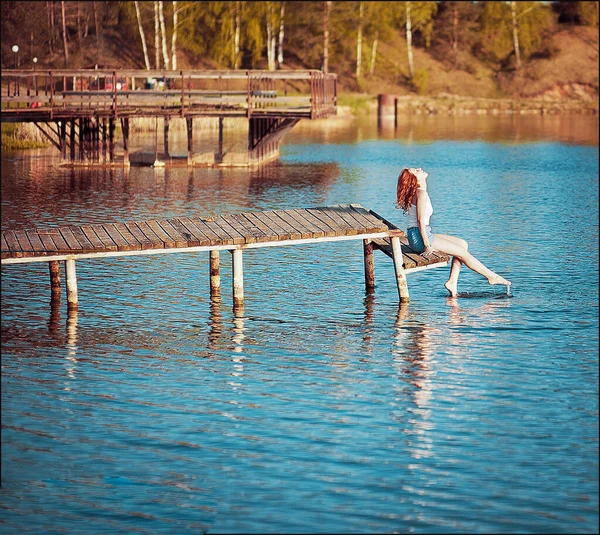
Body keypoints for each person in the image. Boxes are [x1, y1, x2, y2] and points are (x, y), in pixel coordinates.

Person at [396, 167, 511, 297]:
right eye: (416, 171)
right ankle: (491, 277)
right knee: (462, 253)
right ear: (414, 180)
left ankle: (452, 282)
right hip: (419, 237)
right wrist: (427, 245)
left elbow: (421, 224)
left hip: (418, 234)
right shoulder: (421, 194)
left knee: (462, 244)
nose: (419, 169)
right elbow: (420, 221)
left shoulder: (419, 193)